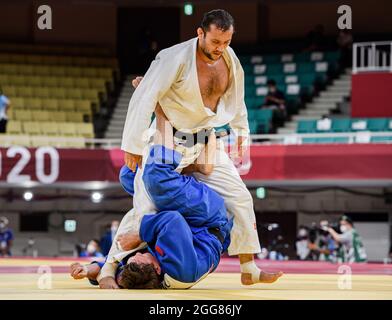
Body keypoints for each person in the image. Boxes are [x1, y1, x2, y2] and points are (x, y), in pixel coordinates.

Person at [108, 9, 271, 287]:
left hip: (204, 138)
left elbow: (237, 98)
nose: (220, 48)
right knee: (146, 209)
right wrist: (132, 145)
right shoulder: (174, 58)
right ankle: (108, 268)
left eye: (226, 42)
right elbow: (144, 96)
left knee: (240, 197)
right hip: (167, 139)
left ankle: (249, 267)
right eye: (215, 42)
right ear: (200, 33)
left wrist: (242, 132)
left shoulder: (230, 60)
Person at [71, 110, 282, 288]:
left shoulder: (141, 273)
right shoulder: (180, 269)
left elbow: (125, 264)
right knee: (155, 182)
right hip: (207, 219)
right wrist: (139, 235)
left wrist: (92, 270)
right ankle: (249, 267)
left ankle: (248, 270)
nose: (137, 254)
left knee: (129, 177)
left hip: (191, 209)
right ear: (155, 267)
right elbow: (170, 221)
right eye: (140, 256)